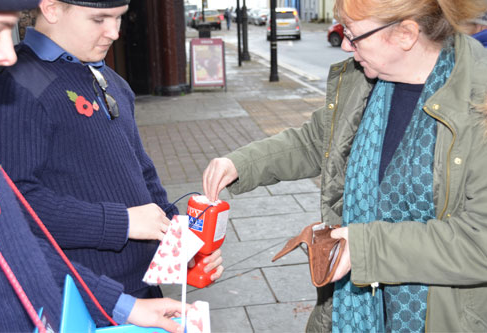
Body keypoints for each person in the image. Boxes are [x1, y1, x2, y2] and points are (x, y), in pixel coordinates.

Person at [202, 0, 487, 331]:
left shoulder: (477, 104)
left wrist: (366, 248)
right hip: (354, 311)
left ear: (406, 33)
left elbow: (478, 242)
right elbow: (317, 139)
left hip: (441, 317)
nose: (347, 45)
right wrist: (241, 163)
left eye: (355, 35)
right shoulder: (365, 80)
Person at [0, 0, 222, 311]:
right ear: (52, 9)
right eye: (99, 19)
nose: (114, 32)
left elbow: (142, 172)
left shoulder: (112, 80)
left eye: (119, 18)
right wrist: (120, 222)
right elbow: (12, 207)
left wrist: (182, 247)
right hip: (83, 296)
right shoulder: (14, 88)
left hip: (143, 286)